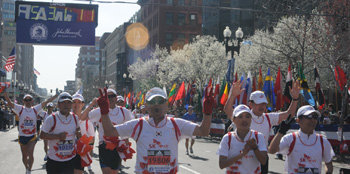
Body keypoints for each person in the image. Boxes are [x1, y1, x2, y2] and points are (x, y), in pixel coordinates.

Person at [97, 87, 214, 173]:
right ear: (147, 106)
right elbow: (109, 132)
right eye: (152, 102)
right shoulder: (139, 125)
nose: (156, 105)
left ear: (167, 105)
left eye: (160, 101)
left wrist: (207, 113)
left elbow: (203, 131)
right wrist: (104, 111)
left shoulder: (176, 124)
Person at [224, 81, 300, 174]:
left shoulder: (268, 118)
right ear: (251, 104)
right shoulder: (243, 116)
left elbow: (289, 115)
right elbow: (228, 110)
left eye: (264, 103)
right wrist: (232, 95)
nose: (262, 106)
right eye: (258, 103)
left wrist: (295, 99)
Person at [80, 88, 134, 174]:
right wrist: (92, 104)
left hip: (118, 146)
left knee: (114, 172)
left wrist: (126, 138)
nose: (110, 98)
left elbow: (132, 126)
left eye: (112, 96)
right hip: (104, 145)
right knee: (107, 171)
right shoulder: (99, 111)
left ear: (116, 98)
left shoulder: (124, 112)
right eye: (108, 96)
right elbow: (82, 118)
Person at [268, 105, 334, 174]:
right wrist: (281, 131)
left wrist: (328, 172)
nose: (313, 120)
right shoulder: (290, 139)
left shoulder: (323, 141)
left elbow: (328, 164)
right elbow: (272, 150)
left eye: (315, 117)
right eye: (309, 117)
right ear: (298, 120)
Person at [4, 92, 58, 174]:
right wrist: (6, 96)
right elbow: (11, 104)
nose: (28, 101)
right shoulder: (20, 109)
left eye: (29, 100)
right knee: (24, 156)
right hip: (22, 136)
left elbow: (46, 102)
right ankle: (27, 168)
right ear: (24, 101)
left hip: (32, 136)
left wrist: (54, 96)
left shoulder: (35, 109)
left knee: (30, 153)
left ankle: (29, 171)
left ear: (32, 101)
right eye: (26, 100)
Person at [40, 92, 82, 174]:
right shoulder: (51, 118)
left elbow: (78, 129)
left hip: (70, 160)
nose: (66, 105)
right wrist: (57, 136)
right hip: (54, 161)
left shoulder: (75, 118)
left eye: (69, 102)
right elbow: (42, 135)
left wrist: (79, 133)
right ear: (58, 105)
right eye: (63, 103)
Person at [218, 104, 267, 173]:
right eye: (240, 117)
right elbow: (222, 164)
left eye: (247, 117)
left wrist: (255, 148)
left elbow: (263, 161)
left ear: (251, 119)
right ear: (233, 120)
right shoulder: (228, 138)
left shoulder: (258, 136)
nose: (244, 120)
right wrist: (242, 154)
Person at [72, 93, 95, 173]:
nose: (76, 104)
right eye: (74, 102)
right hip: (65, 153)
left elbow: (91, 141)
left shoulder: (87, 121)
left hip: (79, 154)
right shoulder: (65, 118)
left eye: (79, 102)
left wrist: (82, 140)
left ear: (83, 104)